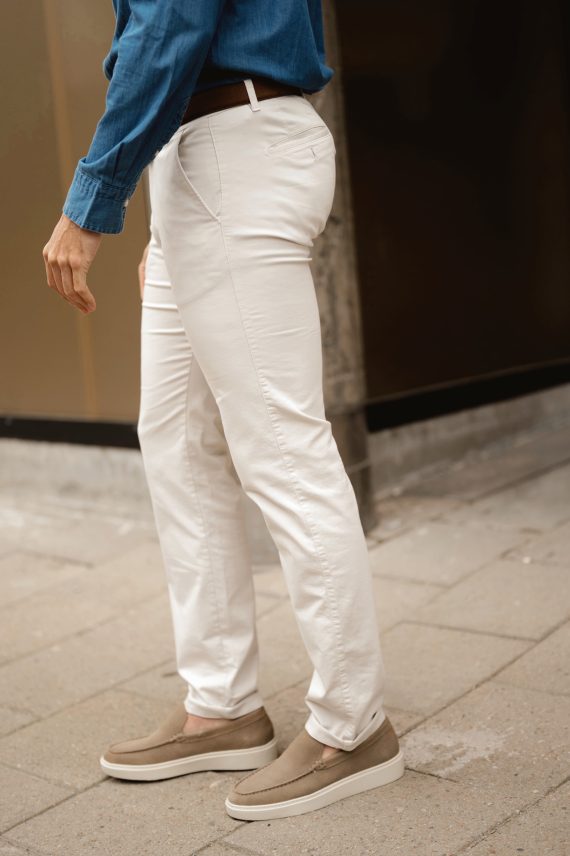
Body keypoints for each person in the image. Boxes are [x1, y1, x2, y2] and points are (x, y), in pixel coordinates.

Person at [41, 0, 404, 820]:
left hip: (236, 148)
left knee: (282, 447)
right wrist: (164, 211)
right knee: (177, 440)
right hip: (202, 158)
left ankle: (353, 726)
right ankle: (222, 706)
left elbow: (169, 22)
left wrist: (94, 197)